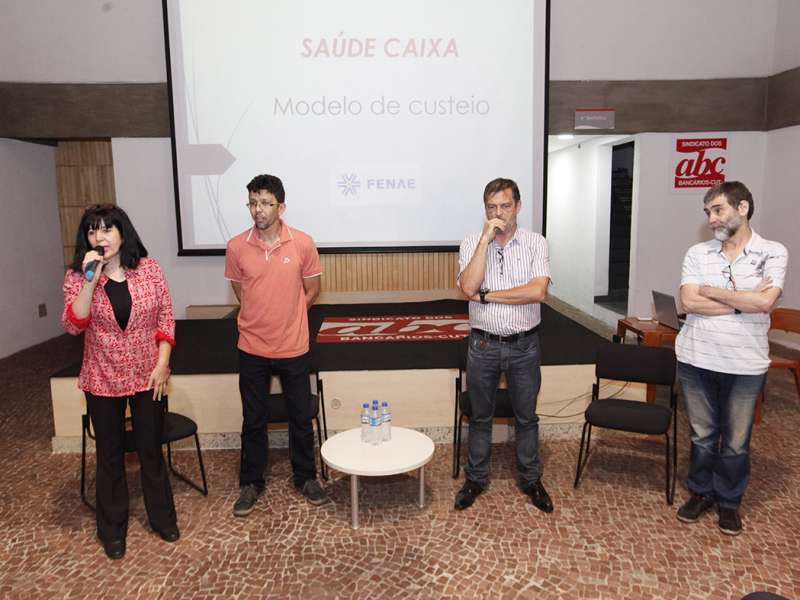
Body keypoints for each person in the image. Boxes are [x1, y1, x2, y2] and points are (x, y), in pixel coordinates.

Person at [62, 204, 179, 560]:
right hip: (102, 378)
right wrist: (89, 280)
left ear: (122, 232)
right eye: (92, 231)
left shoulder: (149, 269)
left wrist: (162, 365)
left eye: (107, 229)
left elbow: (166, 318)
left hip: (148, 375)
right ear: (86, 239)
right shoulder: (77, 277)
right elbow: (73, 324)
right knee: (109, 455)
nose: (100, 237)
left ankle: (162, 518)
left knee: (150, 449)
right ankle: (112, 528)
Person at [675, 181, 787, 536]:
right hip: (696, 359)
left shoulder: (773, 252)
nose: (711, 218)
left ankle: (729, 502)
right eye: (708, 212)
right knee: (702, 436)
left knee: (737, 441)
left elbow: (766, 303)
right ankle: (701, 493)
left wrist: (712, 292)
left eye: (718, 209)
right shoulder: (697, 253)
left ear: (743, 208)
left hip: (745, 364)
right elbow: (688, 302)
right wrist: (742, 300)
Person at [225, 174, 328, 516]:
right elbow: (243, 292)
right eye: (253, 203)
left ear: (281, 207)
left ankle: (305, 477)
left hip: (293, 346)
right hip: (251, 347)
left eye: (266, 203)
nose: (259, 210)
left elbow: (311, 290)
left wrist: (289, 313)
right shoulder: (237, 246)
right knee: (253, 419)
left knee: (300, 416)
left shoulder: (302, 243)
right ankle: (251, 482)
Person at [455, 177, 554, 513]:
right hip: (483, 346)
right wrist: (485, 240)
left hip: (524, 346)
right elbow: (468, 287)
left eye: (505, 206)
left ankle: (530, 479)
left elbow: (537, 291)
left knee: (526, 418)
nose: (499, 213)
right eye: (492, 207)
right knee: (480, 417)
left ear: (519, 207)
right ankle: (476, 479)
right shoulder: (472, 242)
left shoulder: (535, 243)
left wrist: (488, 296)